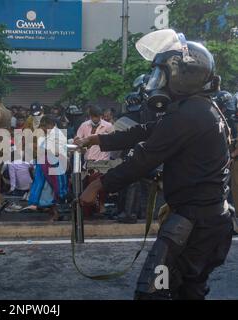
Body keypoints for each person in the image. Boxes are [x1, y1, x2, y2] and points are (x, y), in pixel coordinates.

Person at [76, 29, 234, 300]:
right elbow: (148, 130)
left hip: (194, 224)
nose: (157, 82)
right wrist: (99, 139)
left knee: (152, 292)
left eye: (163, 74)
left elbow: (144, 159)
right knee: (189, 291)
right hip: (211, 221)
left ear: (183, 77)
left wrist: (98, 186)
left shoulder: (189, 114)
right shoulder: (200, 108)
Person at [76, 106, 114, 215]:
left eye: (99, 117)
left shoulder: (108, 126)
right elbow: (77, 138)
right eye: (95, 117)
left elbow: (115, 140)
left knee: (100, 184)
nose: (97, 119)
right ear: (91, 116)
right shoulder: (84, 125)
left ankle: (101, 205)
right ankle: (90, 208)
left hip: (103, 161)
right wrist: (80, 142)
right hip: (88, 160)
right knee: (88, 185)